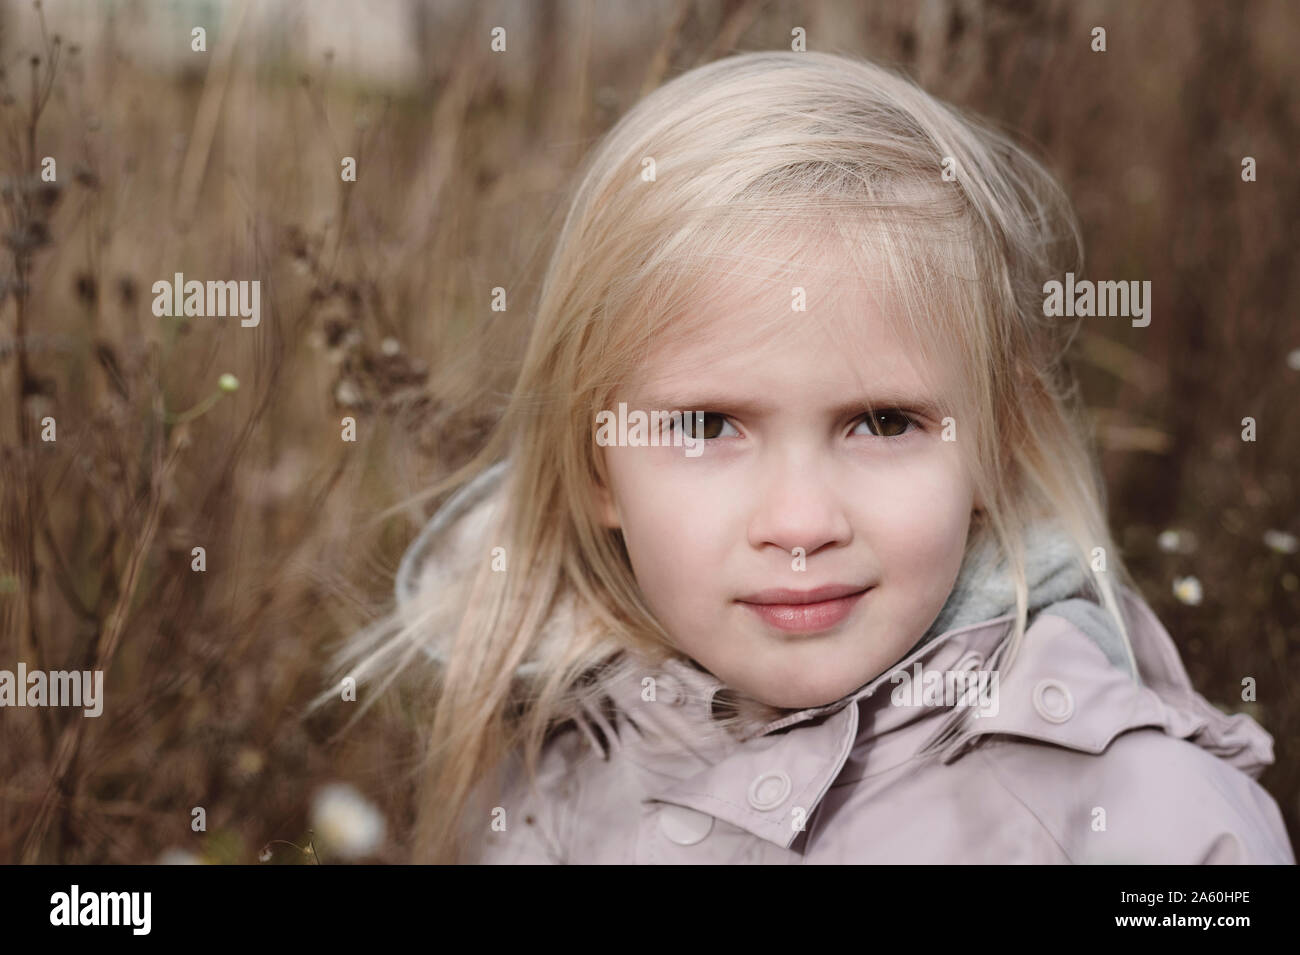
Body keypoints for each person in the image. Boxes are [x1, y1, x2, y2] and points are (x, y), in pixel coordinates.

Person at [321, 51, 1295, 864]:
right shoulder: (547, 782)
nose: (799, 523)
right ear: (594, 470)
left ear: (997, 447)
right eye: (705, 427)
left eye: (881, 422)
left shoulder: (1145, 824)